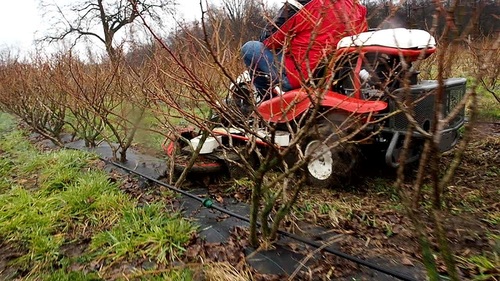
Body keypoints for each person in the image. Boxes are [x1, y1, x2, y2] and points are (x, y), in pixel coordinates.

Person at [241, 0, 368, 101]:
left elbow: (269, 40)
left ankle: (268, 104)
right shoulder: (356, 6)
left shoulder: (301, 4)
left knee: (251, 48)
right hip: (337, 74)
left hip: (302, 75)